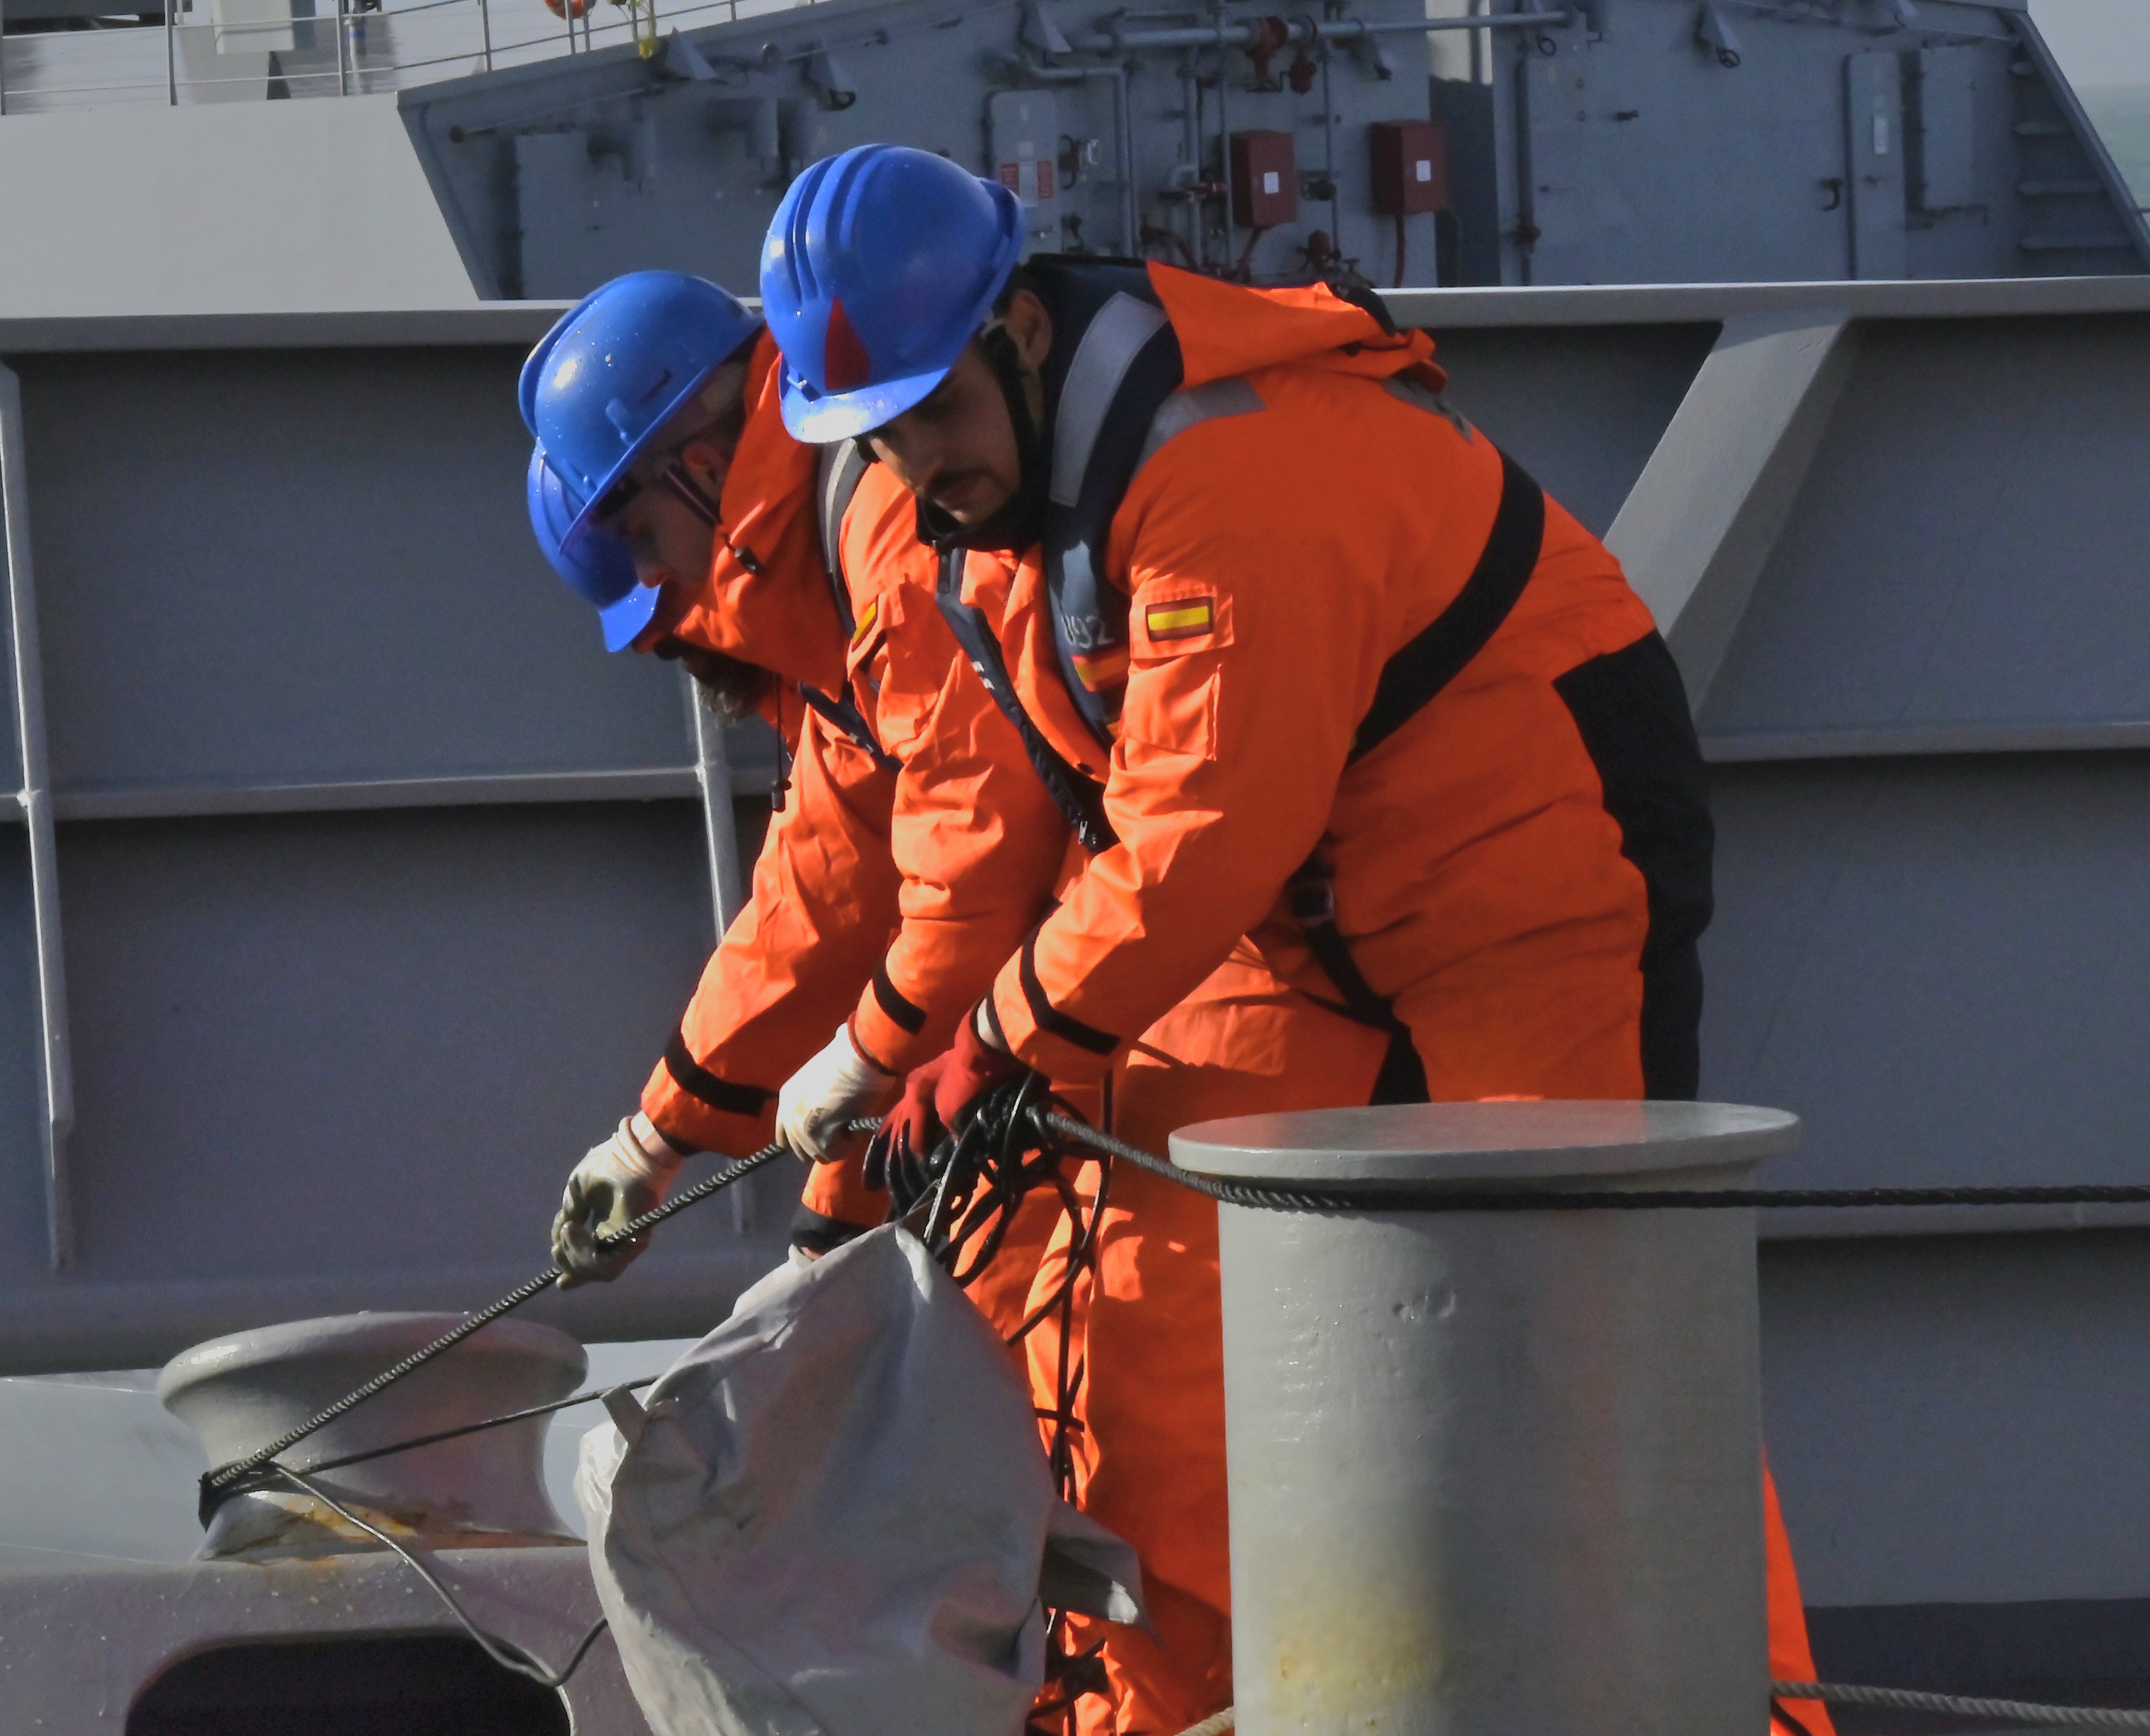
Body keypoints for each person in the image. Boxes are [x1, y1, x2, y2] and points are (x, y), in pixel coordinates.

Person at [759, 146, 1834, 1736]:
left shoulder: (1220, 481)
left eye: (936, 412)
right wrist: (908, 1083)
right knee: (1153, 1282)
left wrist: (984, 1044)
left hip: (1521, 860)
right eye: (881, 436)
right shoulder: (1031, 506)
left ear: (1027, 335)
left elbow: (1195, 836)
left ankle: (1731, 1715)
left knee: (1580, 1339)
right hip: (1307, 906)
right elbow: (1091, 820)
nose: (920, 468)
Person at [518, 270, 1073, 1315]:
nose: (675, 633)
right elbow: (820, 894)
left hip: (1178, 957)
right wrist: (658, 1135)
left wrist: (862, 1069)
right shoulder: (835, 611)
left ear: (697, 470)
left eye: (644, 553)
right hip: (1102, 967)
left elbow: (974, 861)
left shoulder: (887, 548)